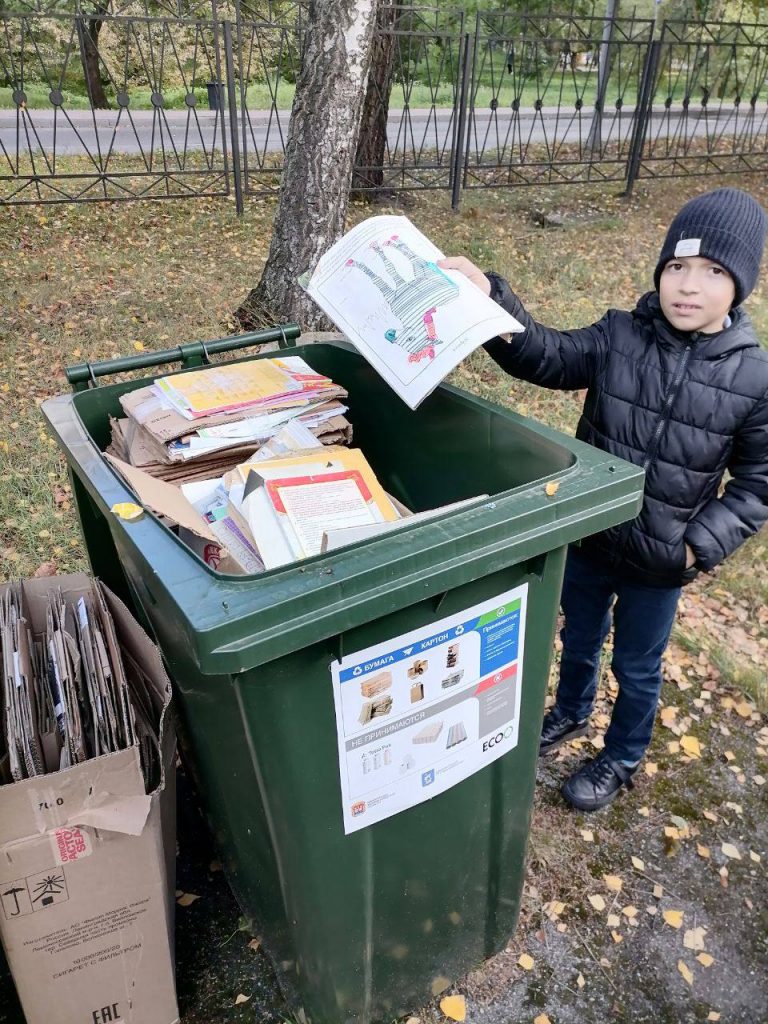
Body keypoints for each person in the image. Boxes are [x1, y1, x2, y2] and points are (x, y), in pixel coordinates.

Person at [440, 187, 768, 812]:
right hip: (590, 541)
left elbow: (759, 483)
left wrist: (696, 548)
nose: (688, 286)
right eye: (677, 266)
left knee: (639, 667)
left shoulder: (754, 379)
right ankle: (570, 711)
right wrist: (491, 302)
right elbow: (548, 355)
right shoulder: (619, 335)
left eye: (712, 271)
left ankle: (621, 756)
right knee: (580, 636)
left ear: (740, 284)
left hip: (660, 564)